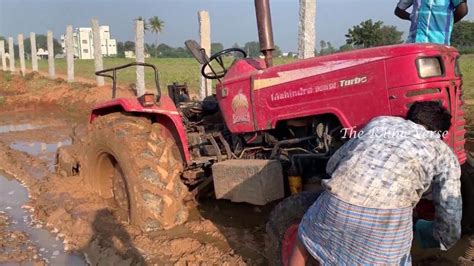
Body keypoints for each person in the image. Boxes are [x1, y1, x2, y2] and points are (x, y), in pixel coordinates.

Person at [289, 101, 462, 265]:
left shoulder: (379, 123)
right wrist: (443, 238)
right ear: (441, 134)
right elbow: (450, 211)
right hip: (386, 223)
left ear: (409, 117)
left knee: (304, 239)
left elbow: (333, 164)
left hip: (337, 203)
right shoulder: (444, 153)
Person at [395, 0, 468, 45]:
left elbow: (462, 10)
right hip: (413, 44)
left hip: (438, 43)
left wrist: (447, 24)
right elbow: (398, 11)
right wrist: (413, 18)